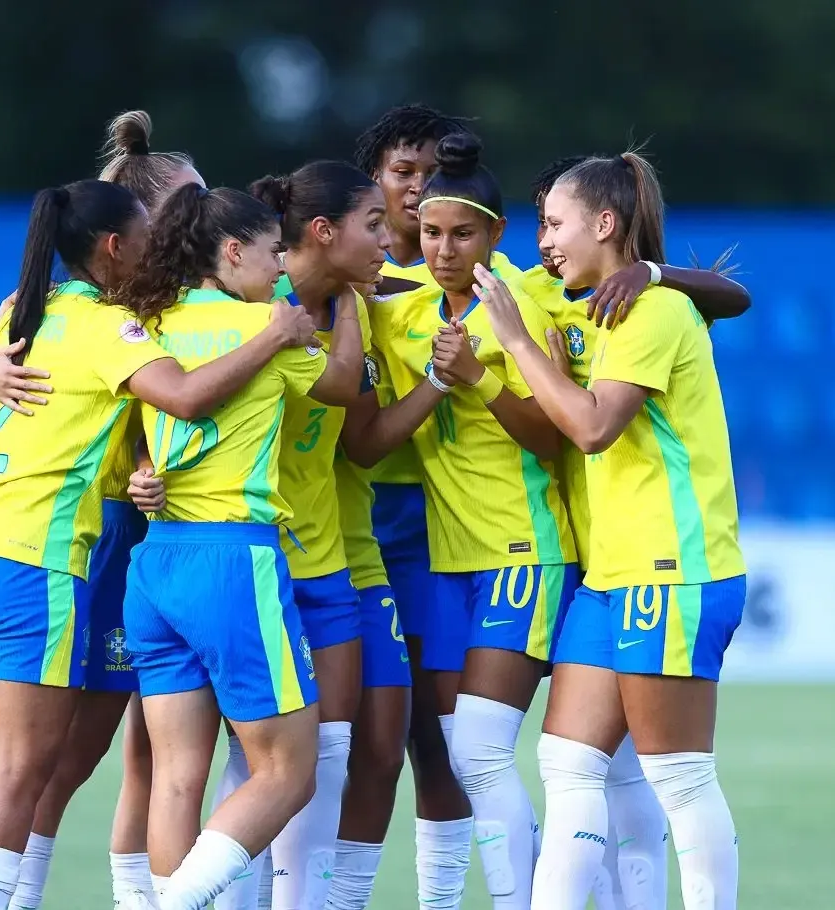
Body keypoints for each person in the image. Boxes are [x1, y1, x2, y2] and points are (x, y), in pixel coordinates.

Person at [0, 179, 317, 910]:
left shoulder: (27, 312)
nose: (165, 246)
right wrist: (277, 333)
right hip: (34, 555)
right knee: (25, 768)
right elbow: (183, 396)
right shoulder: (106, 327)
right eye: (152, 233)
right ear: (116, 246)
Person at [0, 110, 211, 909]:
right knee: (56, 759)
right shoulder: (85, 306)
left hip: (136, 540)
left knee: (117, 756)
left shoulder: (206, 298)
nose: (202, 218)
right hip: (96, 541)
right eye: (188, 204)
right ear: (142, 221)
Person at [477, 152, 748, 910]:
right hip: (612, 577)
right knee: (566, 765)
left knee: (680, 776)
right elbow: (730, 293)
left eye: (555, 223)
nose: (544, 241)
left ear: (604, 223)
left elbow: (593, 429)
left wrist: (517, 345)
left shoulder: (650, 311)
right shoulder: (598, 298)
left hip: (673, 570)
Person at [111, 184, 363, 910]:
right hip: (232, 560)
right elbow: (344, 386)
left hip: (156, 561)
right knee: (290, 770)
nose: (282, 265)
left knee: (177, 775)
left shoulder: (146, 323)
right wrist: (343, 305)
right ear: (231, 252)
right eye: (272, 251)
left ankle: (165, 897)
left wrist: (141, 472)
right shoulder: (265, 327)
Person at [345, 132, 576, 910]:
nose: (444, 250)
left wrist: (474, 376)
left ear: (496, 236)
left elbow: (554, 434)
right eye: (434, 233)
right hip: (448, 561)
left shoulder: (531, 302)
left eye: (464, 235)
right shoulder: (403, 311)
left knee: (480, 753)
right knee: (449, 751)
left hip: (524, 549)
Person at [346, 104, 481, 909]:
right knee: (344, 744)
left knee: (441, 742)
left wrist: (650, 270)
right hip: (347, 530)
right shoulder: (334, 282)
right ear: (375, 182)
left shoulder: (488, 282)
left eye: (435, 175)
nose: (419, 189)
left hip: (438, 532)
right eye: (403, 172)